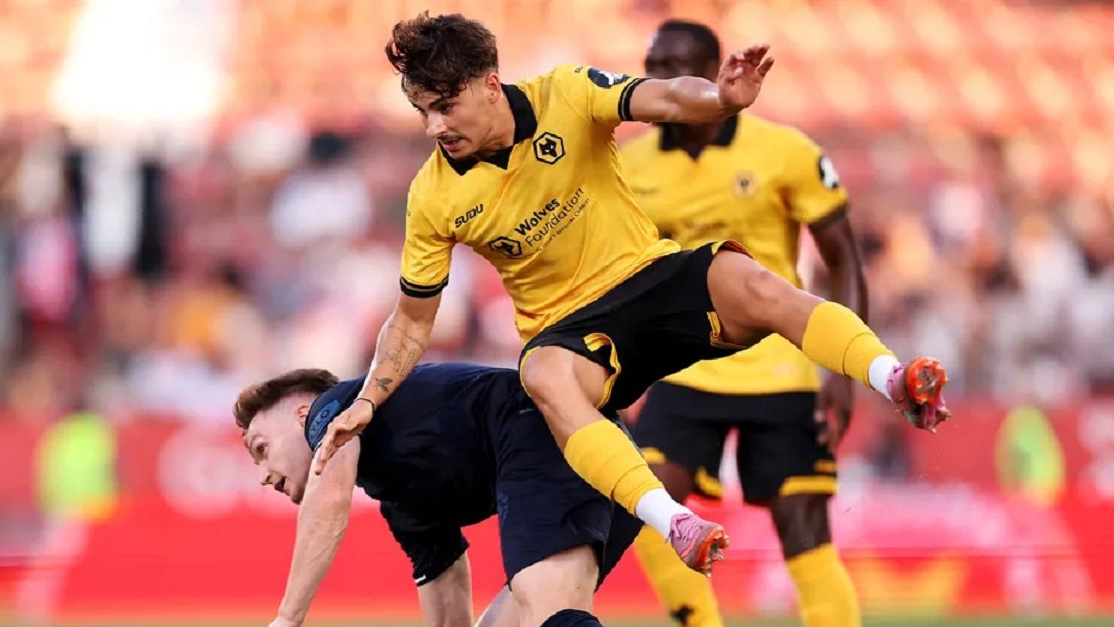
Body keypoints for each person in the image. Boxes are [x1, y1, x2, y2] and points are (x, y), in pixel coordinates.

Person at [314, 12, 950, 577]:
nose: (434, 126)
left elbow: (665, 97)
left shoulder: (566, 93)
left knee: (747, 278)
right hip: (572, 331)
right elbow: (412, 320)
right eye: (422, 111)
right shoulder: (432, 197)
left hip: (649, 277)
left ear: (488, 83)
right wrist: (370, 398)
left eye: (445, 106)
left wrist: (720, 99)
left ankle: (893, 377)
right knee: (541, 373)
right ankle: (675, 522)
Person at [621, 19, 874, 627]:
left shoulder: (785, 151)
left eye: (675, 66)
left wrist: (844, 371)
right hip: (685, 366)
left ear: (712, 71)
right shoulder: (628, 165)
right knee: (648, 508)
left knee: (805, 531)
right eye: (652, 66)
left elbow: (844, 261)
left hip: (781, 367)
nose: (660, 80)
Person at [226, 364, 645, 627]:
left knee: (546, 617)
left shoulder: (333, 406)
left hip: (555, 432)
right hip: (607, 461)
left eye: (261, 448)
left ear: (303, 416)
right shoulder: (401, 501)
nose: (262, 475)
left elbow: (330, 497)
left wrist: (290, 614)